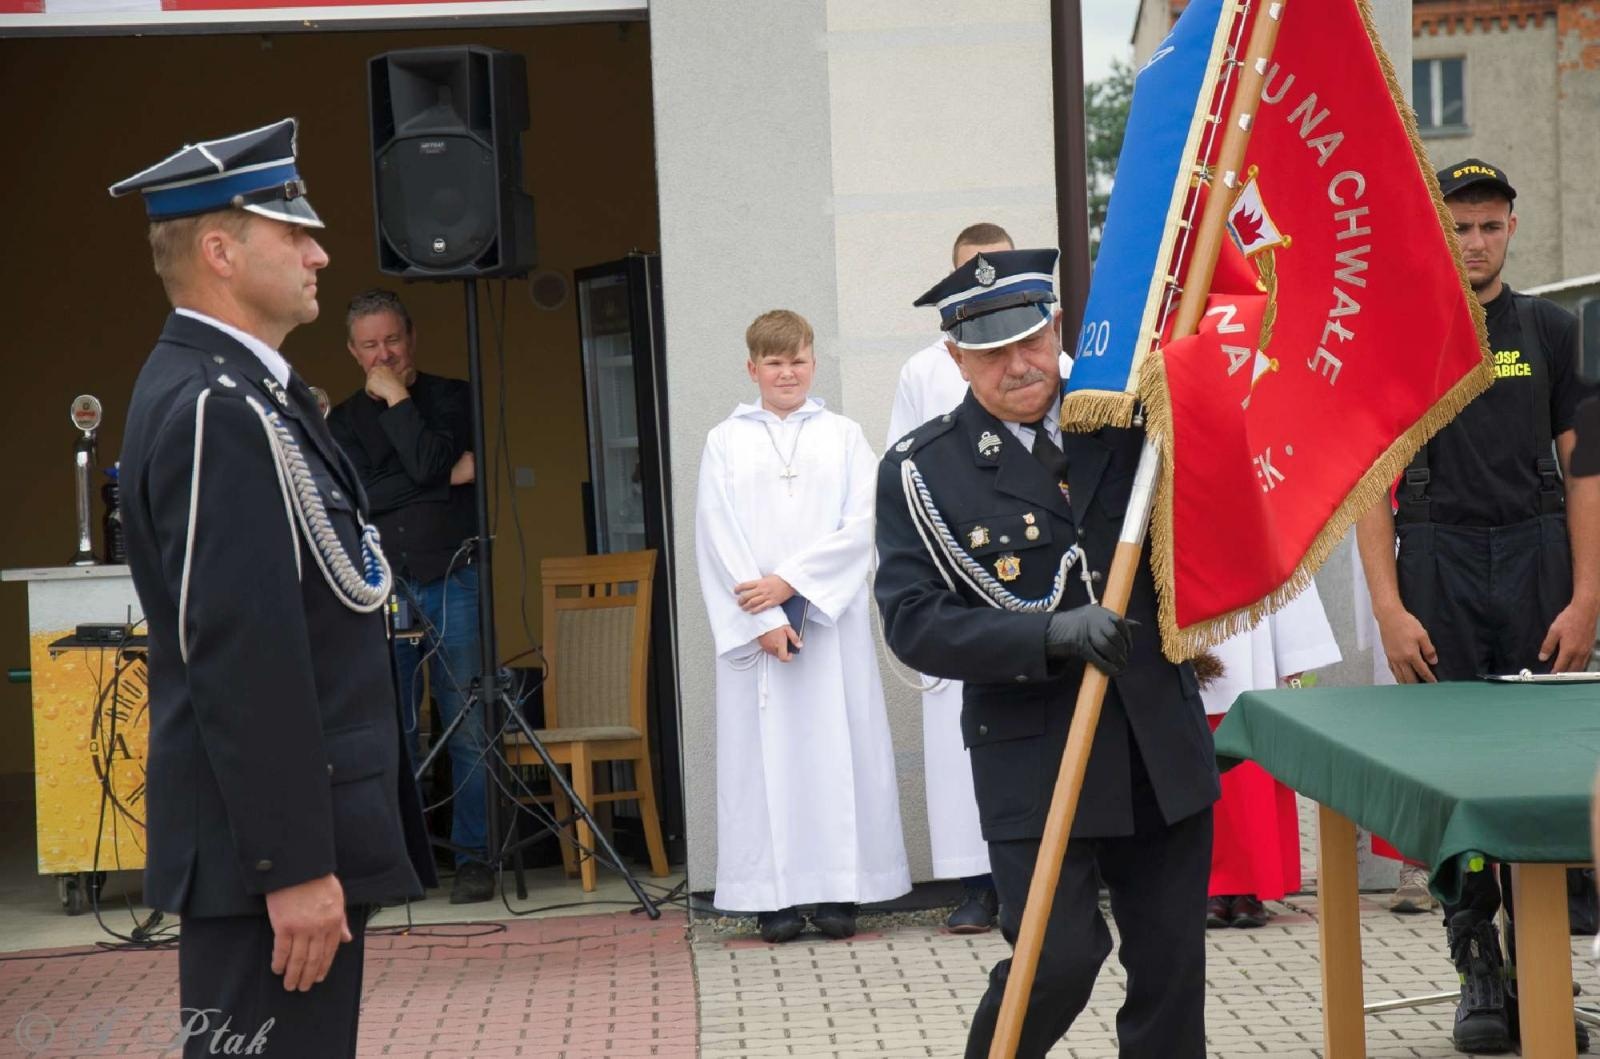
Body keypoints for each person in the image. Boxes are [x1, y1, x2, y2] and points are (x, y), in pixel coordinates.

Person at [111, 118, 434, 1058]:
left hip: (288, 841)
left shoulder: (248, 392)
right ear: (220, 250)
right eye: (293, 232)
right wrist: (291, 865)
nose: (319, 252)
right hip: (271, 862)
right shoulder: (218, 405)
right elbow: (242, 655)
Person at [875, 249, 1219, 1058]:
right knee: (1056, 958)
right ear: (955, 358)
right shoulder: (924, 472)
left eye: (1030, 340)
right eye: (991, 352)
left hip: (1153, 742)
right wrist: (1047, 634)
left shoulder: (1131, 424)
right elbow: (915, 623)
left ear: (1056, 327)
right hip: (1036, 752)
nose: (1018, 365)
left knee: (1171, 971)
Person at [1356, 157, 1598, 1055]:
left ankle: (1543, 972)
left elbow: (1588, 473)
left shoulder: (1555, 330)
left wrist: (1586, 598)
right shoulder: (1397, 336)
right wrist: (1386, 607)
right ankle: (1477, 966)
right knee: (1456, 783)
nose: (1476, 242)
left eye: (1490, 225)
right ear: (1437, 231)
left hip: (1537, 561)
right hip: (1437, 561)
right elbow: (1369, 482)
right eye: (1460, 227)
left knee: (1537, 775)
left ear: (1512, 228)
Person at [695, 309, 911, 943]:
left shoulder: (843, 436)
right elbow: (716, 535)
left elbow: (866, 523)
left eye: (797, 361)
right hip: (759, 634)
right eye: (773, 362)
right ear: (751, 368)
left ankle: (841, 892)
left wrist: (791, 587)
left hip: (828, 624)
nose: (786, 373)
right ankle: (774, 899)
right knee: (764, 766)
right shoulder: (725, 441)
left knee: (837, 755)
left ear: (814, 363)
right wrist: (761, 615)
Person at [327, 290, 492, 905]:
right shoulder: (341, 421)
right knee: (389, 726)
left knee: (467, 721)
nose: (383, 353)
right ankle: (399, 860)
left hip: (454, 576)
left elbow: (415, 465)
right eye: (369, 345)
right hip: (380, 586)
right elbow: (360, 497)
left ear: (411, 337)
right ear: (351, 350)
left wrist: (399, 401)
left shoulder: (452, 396)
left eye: (392, 340)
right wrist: (434, 473)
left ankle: (474, 857)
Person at [886, 222, 1015, 933]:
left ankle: (1032, 873)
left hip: (1021, 573)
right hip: (951, 573)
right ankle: (973, 882)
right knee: (954, 741)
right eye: (972, 270)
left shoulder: (1034, 357)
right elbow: (900, 472)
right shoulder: (922, 370)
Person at [1201, 587, 1339, 929]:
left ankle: (1249, 886)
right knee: (1198, 764)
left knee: (1249, 768)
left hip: (1250, 614)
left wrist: (1293, 649)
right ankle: (1207, 886)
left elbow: (1279, 549)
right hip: (1187, 604)